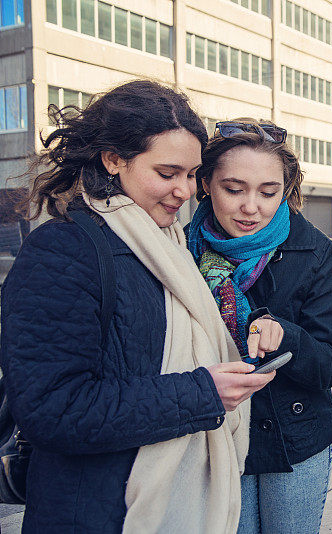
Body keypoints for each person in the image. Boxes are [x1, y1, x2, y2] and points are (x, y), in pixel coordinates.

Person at [0, 80, 274, 533]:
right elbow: (53, 410)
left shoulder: (168, 244)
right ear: (113, 160)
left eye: (191, 174)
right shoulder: (64, 249)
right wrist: (202, 392)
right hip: (95, 513)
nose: (185, 190)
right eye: (167, 173)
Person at [187, 118, 332, 534]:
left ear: (286, 189)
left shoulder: (312, 250)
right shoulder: (179, 248)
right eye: (233, 189)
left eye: (268, 192)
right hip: (215, 435)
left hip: (295, 440)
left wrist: (284, 335)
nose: (250, 207)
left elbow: (330, 364)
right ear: (205, 183)